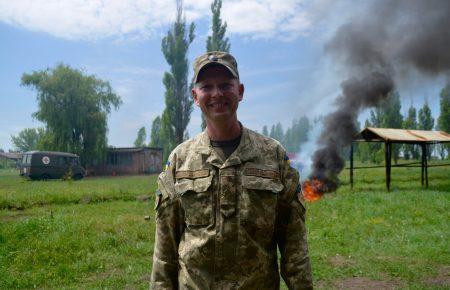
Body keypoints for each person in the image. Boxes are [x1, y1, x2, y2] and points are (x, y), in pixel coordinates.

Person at [150, 51, 313, 289]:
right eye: (207, 86)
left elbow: (294, 243)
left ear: (241, 91)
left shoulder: (272, 155)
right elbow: (165, 249)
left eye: (226, 85)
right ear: (195, 96)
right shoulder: (180, 159)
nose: (217, 94)